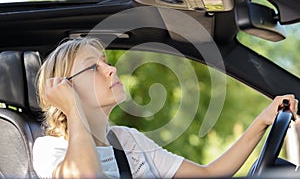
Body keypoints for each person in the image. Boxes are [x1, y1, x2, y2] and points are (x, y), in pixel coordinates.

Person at [33, 37, 298, 178]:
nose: (111, 69)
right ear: (65, 88)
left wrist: (262, 121)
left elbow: (209, 173)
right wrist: (72, 108)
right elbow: (86, 176)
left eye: (106, 61)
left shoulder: (129, 141)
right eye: (93, 67)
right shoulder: (49, 150)